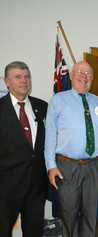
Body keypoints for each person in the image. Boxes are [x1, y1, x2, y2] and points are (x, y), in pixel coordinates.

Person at [45, 61, 98, 237]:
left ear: (92, 79)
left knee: (91, 212)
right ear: (71, 75)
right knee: (68, 213)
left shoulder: (97, 101)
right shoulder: (58, 100)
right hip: (67, 166)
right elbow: (50, 134)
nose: (84, 77)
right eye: (80, 72)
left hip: (94, 166)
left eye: (89, 74)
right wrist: (51, 165)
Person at [0, 61, 48, 237]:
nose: (24, 81)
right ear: (7, 82)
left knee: (34, 232)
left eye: (27, 77)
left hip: (36, 185)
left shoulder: (42, 107)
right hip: (6, 187)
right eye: (18, 77)